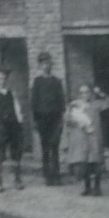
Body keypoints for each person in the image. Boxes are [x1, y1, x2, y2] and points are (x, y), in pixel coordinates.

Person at [66, 83, 109, 196]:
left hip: (94, 137)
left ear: (90, 93)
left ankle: (97, 187)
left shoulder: (96, 104)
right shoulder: (75, 105)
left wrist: (100, 93)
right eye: (82, 92)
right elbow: (67, 119)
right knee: (84, 163)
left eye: (87, 92)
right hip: (82, 138)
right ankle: (87, 187)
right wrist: (75, 122)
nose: (84, 95)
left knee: (96, 162)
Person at [30, 52, 67, 186]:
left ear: (51, 64)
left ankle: (56, 175)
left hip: (55, 118)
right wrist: (35, 120)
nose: (46, 66)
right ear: (40, 65)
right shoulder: (37, 81)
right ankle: (47, 176)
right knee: (45, 147)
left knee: (55, 146)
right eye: (43, 63)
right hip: (42, 118)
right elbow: (34, 102)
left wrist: (61, 119)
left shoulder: (57, 81)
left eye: (48, 63)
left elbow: (62, 102)